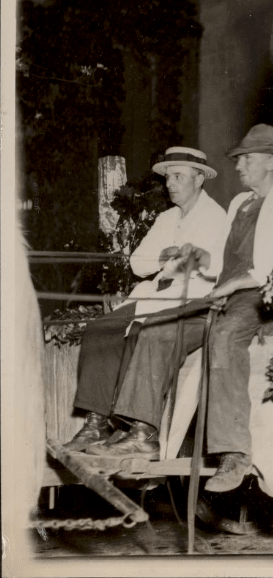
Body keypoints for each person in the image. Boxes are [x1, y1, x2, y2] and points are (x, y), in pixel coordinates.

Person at [89, 125, 273, 494]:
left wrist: (234, 285)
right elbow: (222, 261)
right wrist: (203, 260)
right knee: (158, 328)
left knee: (223, 337)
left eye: (247, 159)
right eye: (239, 159)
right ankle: (144, 432)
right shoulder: (241, 203)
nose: (239, 166)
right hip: (226, 293)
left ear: (271, 162)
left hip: (267, 297)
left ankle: (233, 453)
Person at [63, 147, 227, 452]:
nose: (170, 183)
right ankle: (96, 423)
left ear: (199, 179)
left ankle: (139, 430)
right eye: (168, 177)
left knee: (145, 332)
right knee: (100, 330)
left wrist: (176, 260)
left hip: (190, 297)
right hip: (156, 294)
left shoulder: (217, 218)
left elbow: (210, 267)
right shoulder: (167, 218)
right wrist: (165, 257)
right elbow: (138, 263)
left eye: (179, 176)